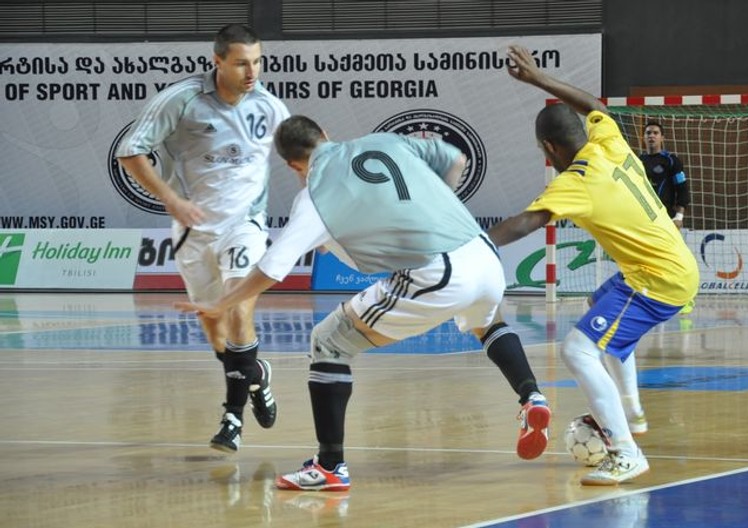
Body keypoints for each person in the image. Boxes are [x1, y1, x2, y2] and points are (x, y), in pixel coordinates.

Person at [176, 115, 551, 492]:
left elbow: (273, 268)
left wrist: (222, 302)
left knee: (328, 342)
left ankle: (330, 466)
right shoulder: (383, 142)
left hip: (436, 270)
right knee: (487, 322)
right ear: (325, 133)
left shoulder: (315, 194)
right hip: (483, 253)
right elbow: (456, 159)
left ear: (293, 165)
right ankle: (530, 395)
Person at [487, 45, 698, 486]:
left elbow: (527, 221)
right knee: (598, 305)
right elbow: (596, 106)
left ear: (548, 148)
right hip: (670, 265)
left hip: (656, 279)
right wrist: (539, 79)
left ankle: (625, 453)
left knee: (577, 350)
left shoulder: (575, 182)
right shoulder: (609, 142)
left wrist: (468, 245)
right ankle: (631, 410)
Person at [117, 24, 290, 453]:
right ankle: (254, 374)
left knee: (236, 305)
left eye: (257, 61)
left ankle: (232, 419)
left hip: (245, 225)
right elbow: (130, 151)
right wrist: (172, 200)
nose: (252, 72)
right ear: (217, 62)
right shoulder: (182, 100)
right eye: (241, 63)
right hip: (194, 229)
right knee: (211, 322)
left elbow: (302, 155)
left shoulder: (269, 106)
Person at [640, 121, 695, 315]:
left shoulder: (672, 161)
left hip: (668, 220)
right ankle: (654, 297)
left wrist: (679, 216)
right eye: (648, 133)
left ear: (662, 137)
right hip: (645, 221)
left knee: (675, 260)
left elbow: (683, 189)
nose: (651, 136)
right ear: (643, 137)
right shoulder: (637, 161)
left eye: (655, 133)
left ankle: (686, 299)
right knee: (648, 261)